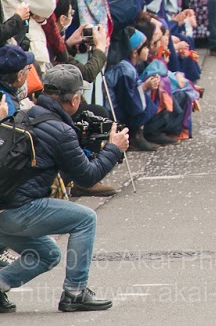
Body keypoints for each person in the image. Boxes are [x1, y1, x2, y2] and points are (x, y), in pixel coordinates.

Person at [0, 63, 128, 312]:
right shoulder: (61, 131)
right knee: (86, 219)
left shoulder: (23, 114)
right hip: (18, 211)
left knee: (48, 254)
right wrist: (114, 149)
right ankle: (75, 292)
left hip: (2, 210)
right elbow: (87, 178)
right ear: (75, 98)